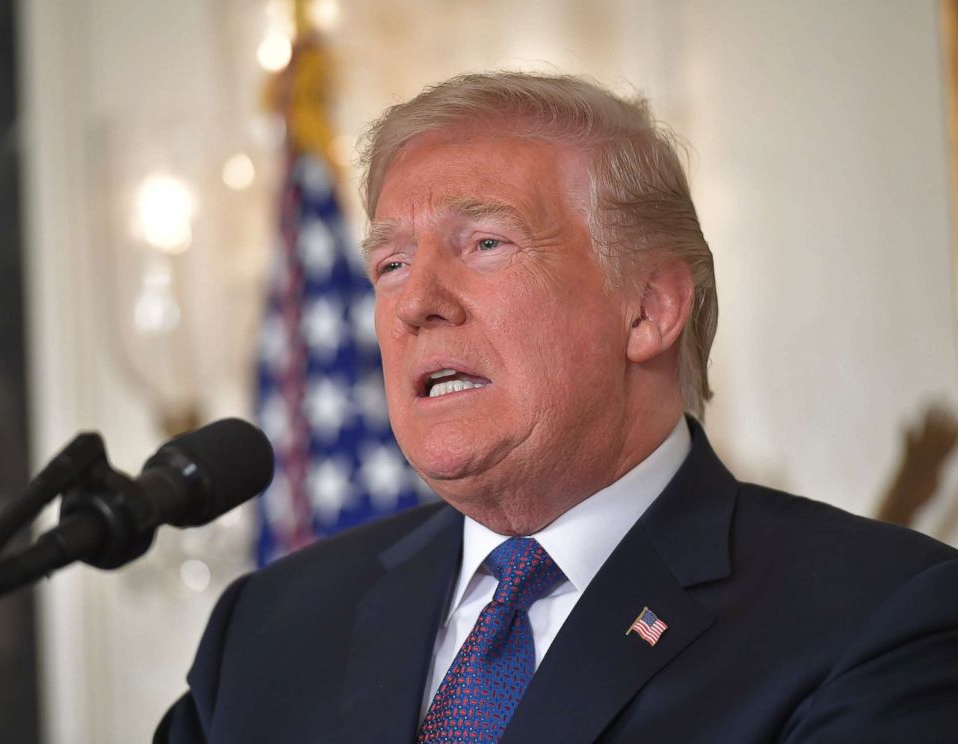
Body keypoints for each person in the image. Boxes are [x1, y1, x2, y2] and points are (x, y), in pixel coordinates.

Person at [156, 72, 958, 743]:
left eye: (485, 244)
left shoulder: (877, 620)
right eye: (392, 262)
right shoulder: (268, 628)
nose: (416, 304)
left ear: (647, 308)